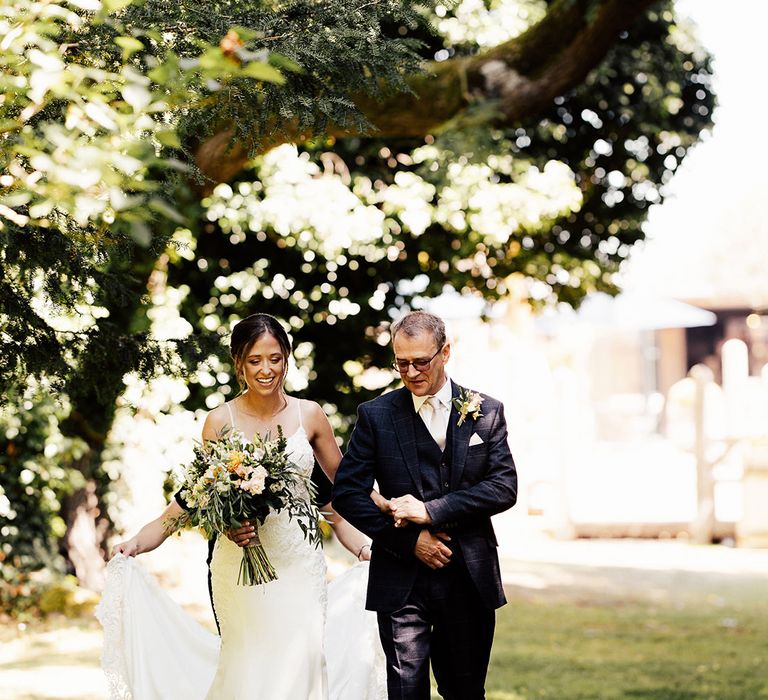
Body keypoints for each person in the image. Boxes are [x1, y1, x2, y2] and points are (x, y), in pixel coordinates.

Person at [107, 313, 381, 699]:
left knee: (302, 663)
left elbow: (341, 497)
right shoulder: (220, 421)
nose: (266, 369)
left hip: (299, 566)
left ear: (287, 358)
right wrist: (136, 542)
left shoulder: (311, 415)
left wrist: (369, 543)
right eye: (255, 360)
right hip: (238, 569)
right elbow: (198, 499)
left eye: (275, 358)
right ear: (239, 363)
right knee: (246, 669)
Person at [332, 310, 517, 700]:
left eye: (421, 361)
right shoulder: (376, 415)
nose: (411, 372)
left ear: (445, 353)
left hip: (469, 576)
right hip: (401, 579)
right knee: (405, 691)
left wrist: (432, 510)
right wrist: (409, 541)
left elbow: (503, 487)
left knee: (465, 691)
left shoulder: (486, 411)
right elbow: (348, 491)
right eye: (402, 363)